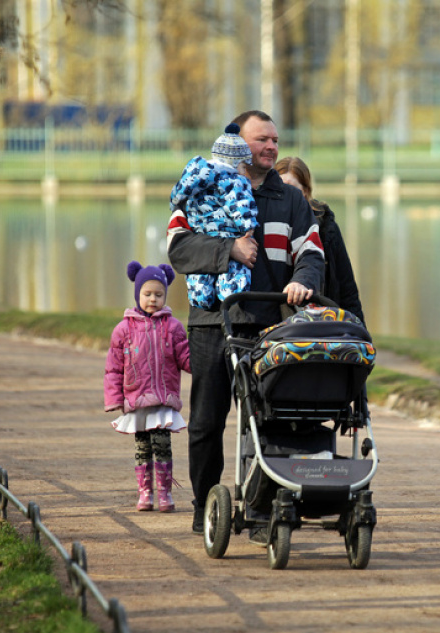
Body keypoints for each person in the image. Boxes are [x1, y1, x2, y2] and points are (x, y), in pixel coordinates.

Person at [167, 110, 324, 537]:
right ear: (238, 142)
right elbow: (178, 250)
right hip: (210, 323)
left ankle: (263, 510)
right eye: (262, 140)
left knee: (267, 420)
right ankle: (204, 506)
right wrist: (228, 251)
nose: (272, 146)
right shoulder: (201, 190)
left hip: (267, 325)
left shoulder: (290, 199)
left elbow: (311, 252)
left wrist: (302, 281)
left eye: (276, 139)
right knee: (205, 423)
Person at [104, 261, 192, 513]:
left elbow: (184, 356)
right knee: (143, 447)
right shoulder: (123, 330)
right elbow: (113, 367)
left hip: (163, 399)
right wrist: (114, 398)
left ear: (165, 295)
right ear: (137, 294)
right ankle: (145, 493)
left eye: (158, 294)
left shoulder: (173, 327)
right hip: (137, 398)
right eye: (147, 294)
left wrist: (201, 364)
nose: (152, 299)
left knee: (162, 445)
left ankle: (164, 492)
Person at [169, 123, 259, 308]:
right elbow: (240, 205)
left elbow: (176, 196)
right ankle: (231, 296)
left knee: (199, 274)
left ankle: (200, 297)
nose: (245, 172)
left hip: (201, 236)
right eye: (243, 166)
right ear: (236, 162)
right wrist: (249, 226)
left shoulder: (194, 177)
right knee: (234, 280)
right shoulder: (234, 180)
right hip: (227, 234)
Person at [274, 156, 365, 324]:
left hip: (320, 321)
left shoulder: (326, 229)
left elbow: (346, 287)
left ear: (306, 191)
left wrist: (361, 333)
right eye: (281, 189)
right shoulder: (264, 224)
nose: (287, 197)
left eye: (292, 189)